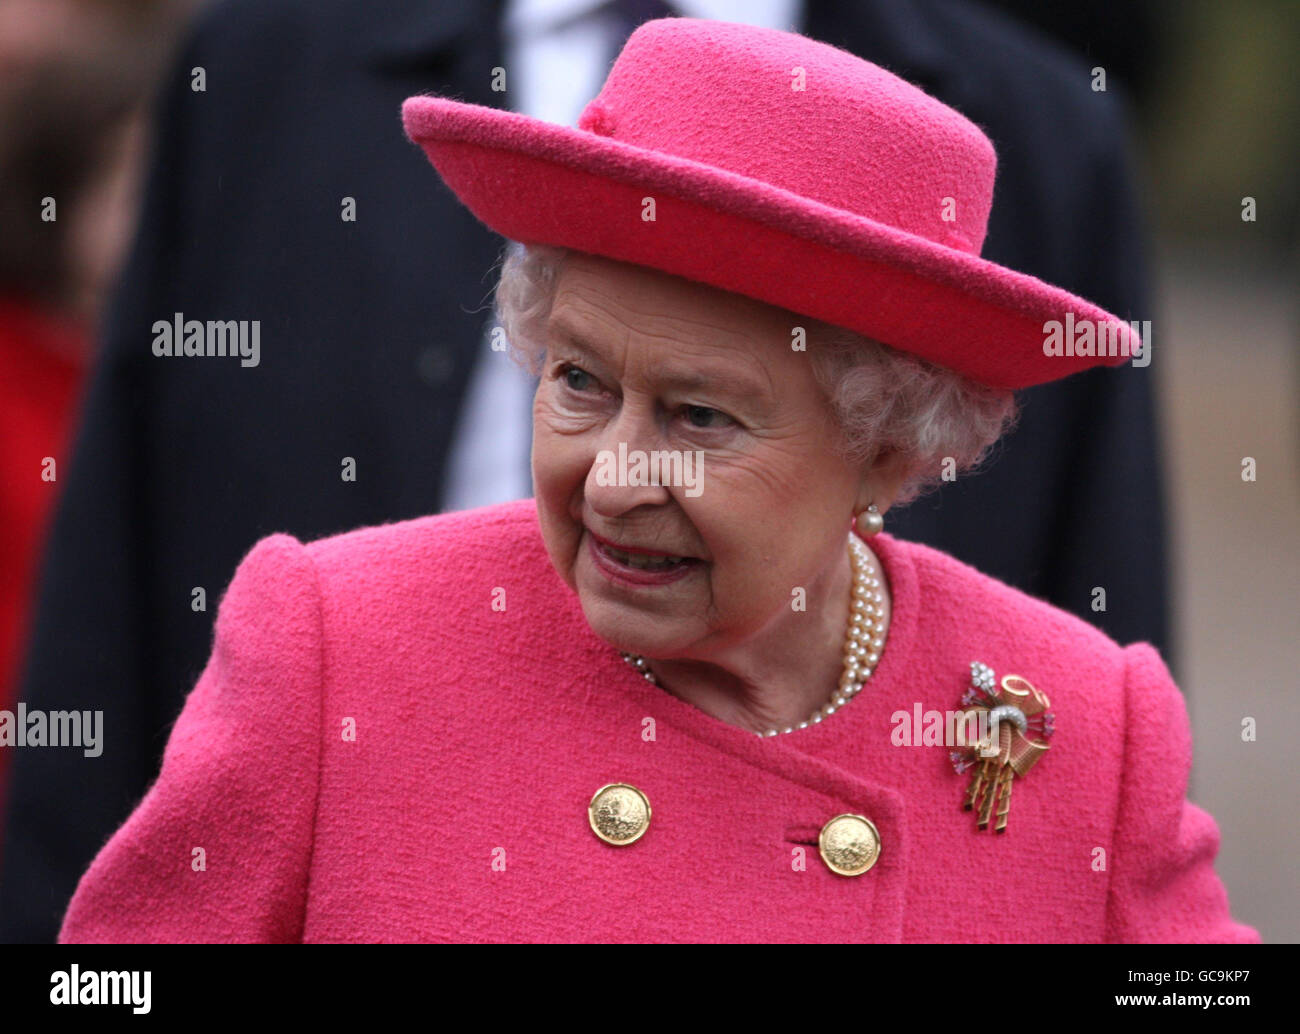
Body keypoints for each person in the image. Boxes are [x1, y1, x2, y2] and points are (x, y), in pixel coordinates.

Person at [57, 19, 1251, 943]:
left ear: (889, 450)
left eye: (697, 415)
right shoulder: (336, 644)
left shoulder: (1080, 726)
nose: (614, 477)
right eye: (577, 381)